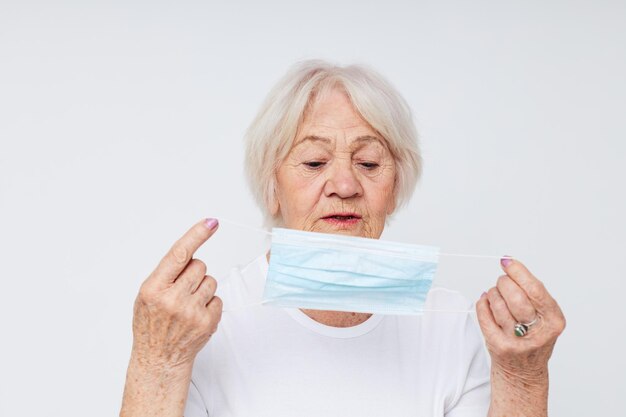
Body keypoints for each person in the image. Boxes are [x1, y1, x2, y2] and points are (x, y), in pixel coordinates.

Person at [120, 60, 566, 417]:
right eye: (314, 163)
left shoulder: (450, 326)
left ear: (395, 189)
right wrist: (157, 359)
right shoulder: (202, 328)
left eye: (369, 164)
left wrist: (523, 377)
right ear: (271, 186)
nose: (345, 185)